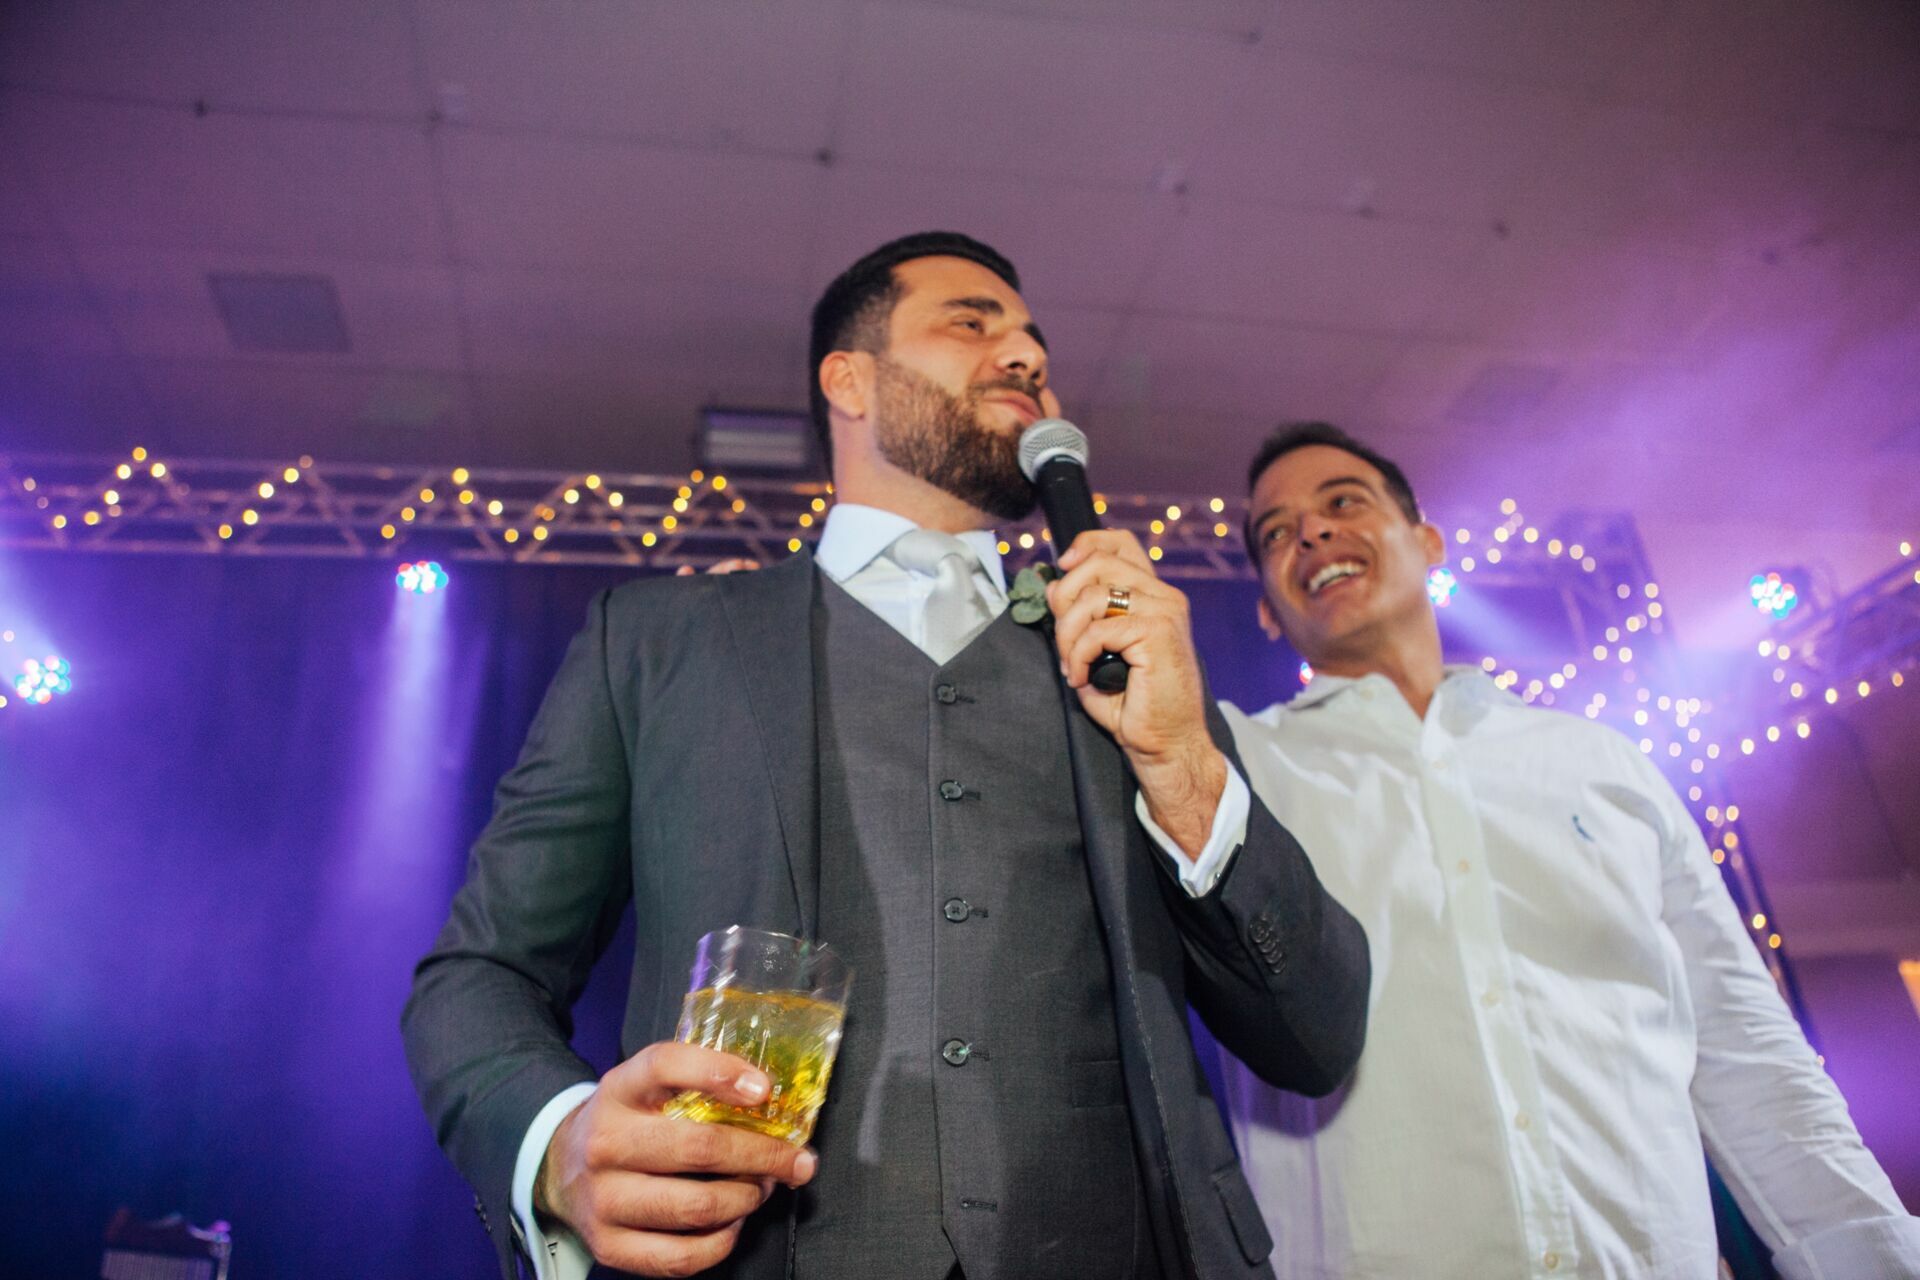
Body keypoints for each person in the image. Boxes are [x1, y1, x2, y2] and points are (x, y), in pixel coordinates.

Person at [401, 234, 1371, 1280]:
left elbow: (1312, 1035)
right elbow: (479, 975)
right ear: (848, 379)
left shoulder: (1132, 654)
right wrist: (556, 1142)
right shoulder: (657, 638)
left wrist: (1184, 762)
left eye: (1036, 341)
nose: (1025, 354)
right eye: (973, 319)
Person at [1218, 421, 1920, 1279]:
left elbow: (1746, 1051)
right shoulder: (1233, 775)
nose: (1313, 533)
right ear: (1264, 606)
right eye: (1276, 533)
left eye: (1342, 503)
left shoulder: (1601, 763)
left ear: (1426, 541)